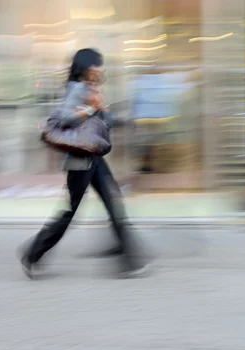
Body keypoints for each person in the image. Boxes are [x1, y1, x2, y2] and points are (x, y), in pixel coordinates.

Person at [18, 48, 151, 279]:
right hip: (80, 159)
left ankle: (128, 256)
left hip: (94, 157)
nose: (100, 68)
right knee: (70, 212)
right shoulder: (76, 89)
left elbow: (105, 122)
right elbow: (63, 118)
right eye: (97, 65)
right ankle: (32, 254)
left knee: (113, 201)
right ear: (86, 67)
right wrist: (90, 107)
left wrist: (104, 109)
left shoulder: (92, 89)